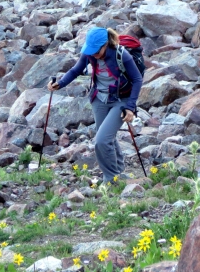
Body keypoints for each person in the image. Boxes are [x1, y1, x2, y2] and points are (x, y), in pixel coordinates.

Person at [47, 27, 143, 183]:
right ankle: (119, 170)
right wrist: (60, 83)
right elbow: (76, 70)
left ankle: (110, 179)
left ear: (106, 45)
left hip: (121, 100)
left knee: (101, 140)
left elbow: (137, 80)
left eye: (97, 51)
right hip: (99, 98)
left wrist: (131, 107)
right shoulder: (89, 53)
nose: (93, 54)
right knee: (107, 137)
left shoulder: (121, 55)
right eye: (91, 51)